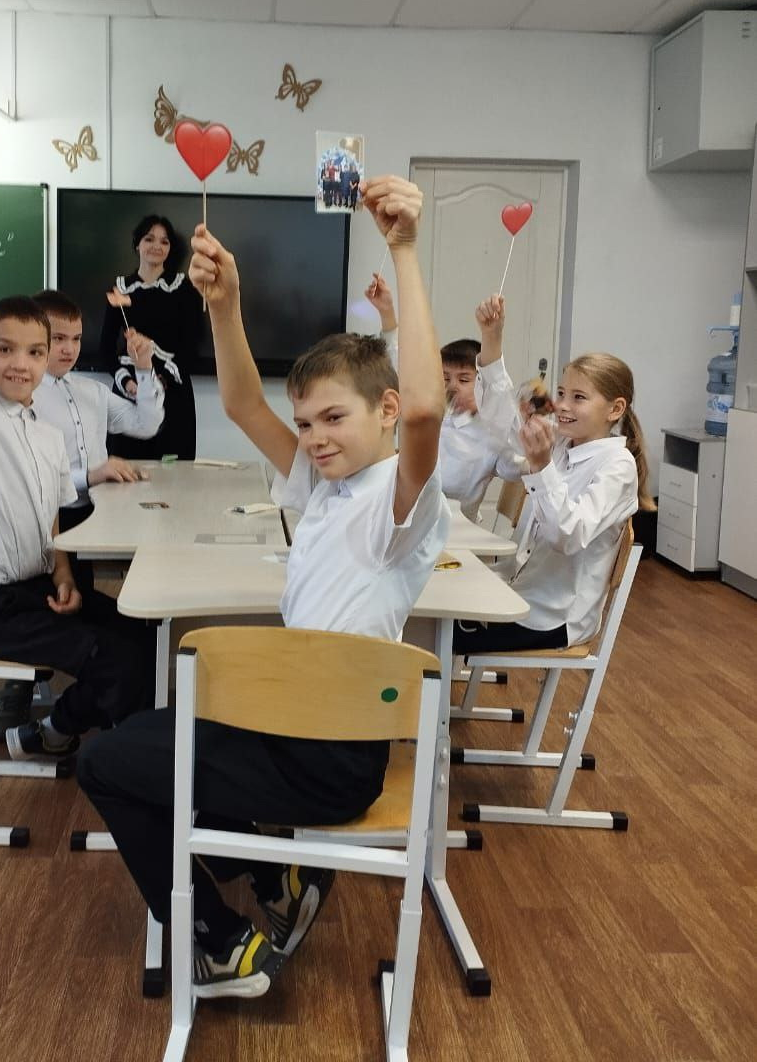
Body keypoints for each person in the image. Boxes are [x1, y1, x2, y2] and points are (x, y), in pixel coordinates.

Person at [77, 174, 449, 1001]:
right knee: (148, 738)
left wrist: (403, 248)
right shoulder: (325, 486)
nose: (313, 438)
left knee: (108, 761)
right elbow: (245, 404)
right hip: (286, 727)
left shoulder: (400, 503)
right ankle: (274, 881)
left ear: (385, 410)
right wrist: (227, 302)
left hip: (328, 755)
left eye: (334, 419)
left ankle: (221, 943)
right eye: (306, 423)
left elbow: (429, 411)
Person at [0, 155, 154, 760]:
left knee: (142, 632)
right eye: (5, 349)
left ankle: (91, 735)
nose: (20, 363)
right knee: (111, 659)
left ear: (48, 355)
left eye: (33, 351)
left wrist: (63, 575)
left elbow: (53, 514)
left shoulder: (46, 433)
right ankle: (52, 733)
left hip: (35, 588)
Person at [0, 288, 165, 737]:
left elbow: (146, 424)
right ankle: (20, 683)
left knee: (80, 604)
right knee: (48, 603)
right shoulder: (21, 398)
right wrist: (92, 473)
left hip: (87, 516)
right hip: (42, 523)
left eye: (75, 339)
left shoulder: (90, 391)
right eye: (57, 339)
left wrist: (145, 369)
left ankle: (113, 691)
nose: (68, 349)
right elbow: (31, 474)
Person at [455, 293, 653, 655]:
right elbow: (501, 419)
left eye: (579, 397)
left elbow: (567, 535)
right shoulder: (562, 441)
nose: (561, 405)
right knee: (427, 601)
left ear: (615, 409)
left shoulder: (617, 467)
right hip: (517, 591)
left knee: (435, 629)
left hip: (550, 617)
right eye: (561, 393)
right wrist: (492, 338)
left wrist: (542, 466)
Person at [365, 276, 524, 520]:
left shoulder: (492, 434)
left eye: (464, 380)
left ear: (482, 385)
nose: (452, 387)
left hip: (455, 531)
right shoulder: (432, 413)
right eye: (445, 378)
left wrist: (492, 338)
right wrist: (387, 313)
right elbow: (399, 371)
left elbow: (517, 465)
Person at [99, 215, 202, 460]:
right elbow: (105, 348)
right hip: (129, 391)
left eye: (164, 241)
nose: (157, 246)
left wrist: (160, 382)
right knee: (126, 468)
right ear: (138, 244)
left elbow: (192, 345)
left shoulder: (184, 288)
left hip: (172, 390)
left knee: (174, 468)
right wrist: (128, 383)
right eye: (149, 239)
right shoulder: (120, 288)